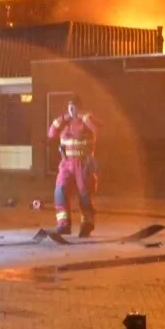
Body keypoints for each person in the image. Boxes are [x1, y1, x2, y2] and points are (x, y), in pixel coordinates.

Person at [46, 96, 99, 236]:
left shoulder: (86, 120)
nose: (71, 110)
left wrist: (85, 118)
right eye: (69, 107)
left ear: (79, 108)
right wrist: (62, 119)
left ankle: (87, 224)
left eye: (74, 107)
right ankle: (64, 224)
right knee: (60, 190)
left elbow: (97, 130)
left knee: (84, 194)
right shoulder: (64, 122)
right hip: (66, 163)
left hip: (83, 163)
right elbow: (51, 133)